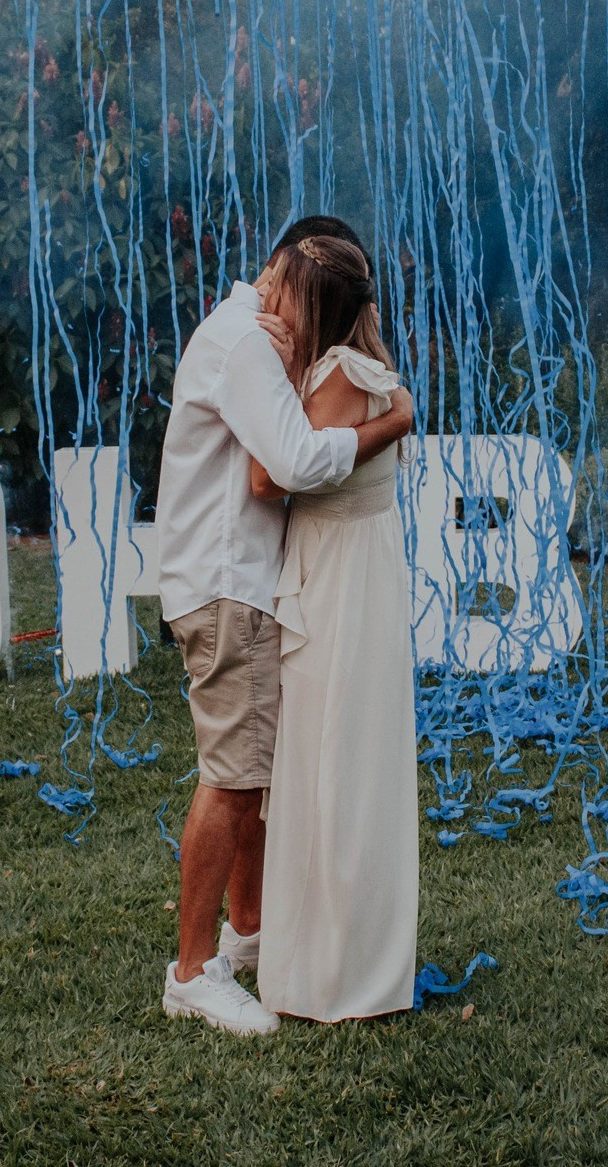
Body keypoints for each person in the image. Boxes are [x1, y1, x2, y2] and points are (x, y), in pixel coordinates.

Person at [156, 216, 416, 1037]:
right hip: (226, 584)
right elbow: (291, 467)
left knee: (255, 776)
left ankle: (248, 936)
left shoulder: (254, 336)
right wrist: (392, 422)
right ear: (277, 270)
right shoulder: (248, 344)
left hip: (243, 582)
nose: (296, 323)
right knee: (232, 778)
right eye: (297, 299)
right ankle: (193, 972)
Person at [249, 231, 419, 1022]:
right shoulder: (343, 371)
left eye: (285, 291)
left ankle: (336, 971)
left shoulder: (341, 375)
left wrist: (277, 371)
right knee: (322, 761)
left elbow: (269, 475)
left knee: (337, 763)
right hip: (338, 570)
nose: (270, 303)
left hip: (343, 586)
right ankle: (314, 954)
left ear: (315, 309)